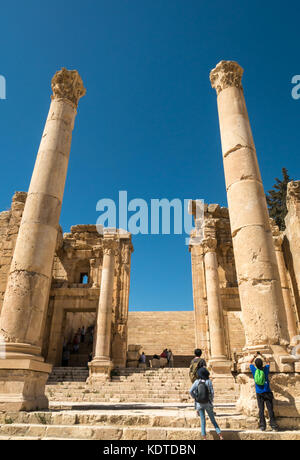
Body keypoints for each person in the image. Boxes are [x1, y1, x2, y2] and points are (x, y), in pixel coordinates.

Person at [190, 367, 223, 440]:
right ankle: (220, 436)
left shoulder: (197, 382)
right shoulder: (209, 381)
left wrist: (196, 398)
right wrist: (210, 400)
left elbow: (190, 391)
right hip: (208, 403)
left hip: (199, 404)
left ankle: (204, 438)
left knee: (203, 421)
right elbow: (212, 393)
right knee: (213, 420)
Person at [249, 352, 279, 432]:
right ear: (262, 363)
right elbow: (268, 361)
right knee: (270, 409)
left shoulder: (254, 370)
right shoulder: (265, 369)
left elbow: (249, 362)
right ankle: (273, 426)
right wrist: (262, 355)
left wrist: (255, 355)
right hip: (267, 391)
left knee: (261, 410)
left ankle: (262, 426)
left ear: (256, 364)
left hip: (259, 392)